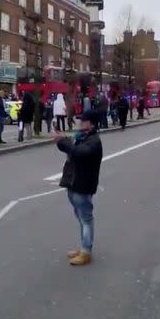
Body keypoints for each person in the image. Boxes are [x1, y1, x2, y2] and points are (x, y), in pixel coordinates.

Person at [55, 109, 103, 266]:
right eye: (80, 119)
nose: (80, 122)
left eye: (84, 120)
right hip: (74, 183)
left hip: (83, 185)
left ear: (92, 124)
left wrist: (63, 141)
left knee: (86, 219)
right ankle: (83, 247)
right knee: (81, 218)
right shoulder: (81, 137)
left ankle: (86, 252)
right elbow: (72, 150)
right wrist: (62, 140)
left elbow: (79, 152)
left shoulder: (94, 141)